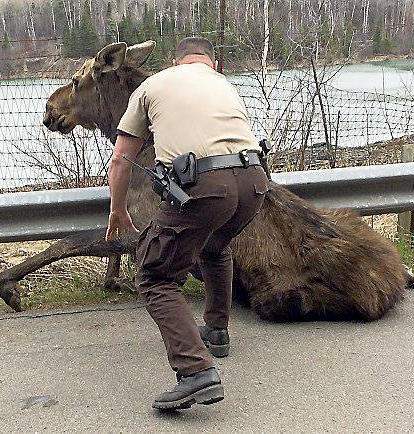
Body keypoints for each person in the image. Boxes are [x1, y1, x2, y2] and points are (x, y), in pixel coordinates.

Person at [106, 37, 269, 410]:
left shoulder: (153, 85)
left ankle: (195, 371)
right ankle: (216, 329)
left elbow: (120, 161)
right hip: (255, 183)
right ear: (212, 64)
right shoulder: (223, 84)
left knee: (154, 274)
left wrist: (117, 209)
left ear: (175, 62)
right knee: (215, 246)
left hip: (206, 185)